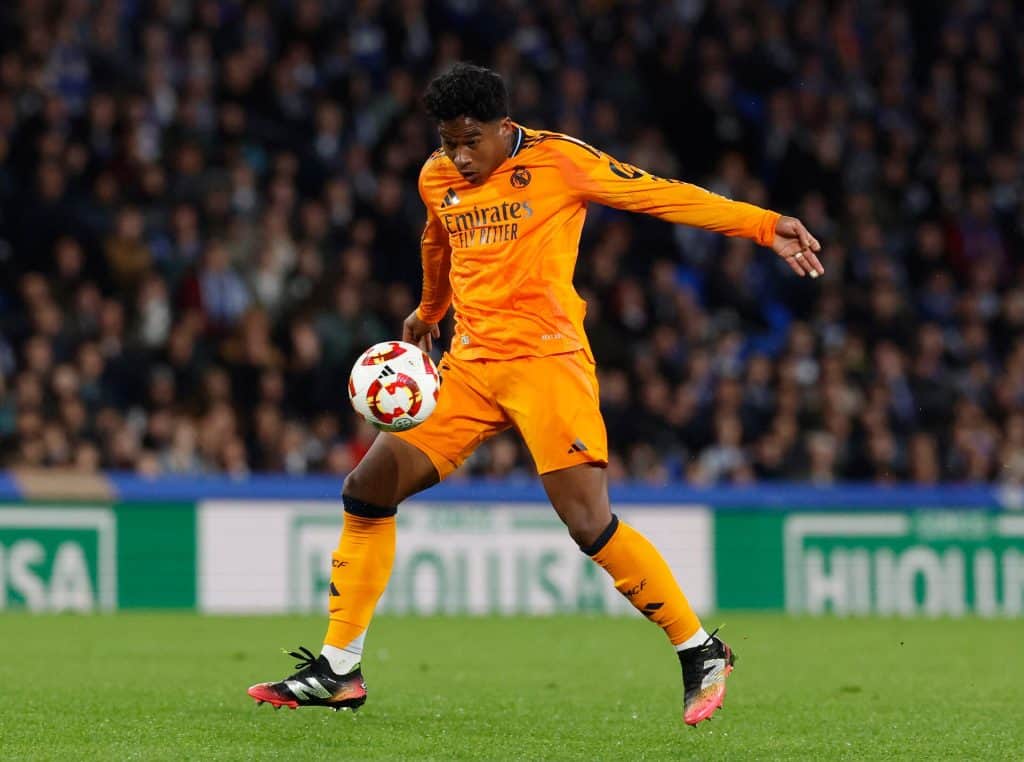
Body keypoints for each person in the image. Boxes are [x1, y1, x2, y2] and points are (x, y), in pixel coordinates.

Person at [248, 63, 823, 726]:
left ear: (503, 126)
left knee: (587, 522)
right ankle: (338, 668)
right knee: (367, 488)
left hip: (548, 362)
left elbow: (660, 195)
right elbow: (439, 240)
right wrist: (430, 310)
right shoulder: (436, 176)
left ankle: (700, 649)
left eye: (471, 141)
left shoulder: (560, 161)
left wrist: (763, 225)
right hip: (469, 366)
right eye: (448, 142)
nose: (460, 157)